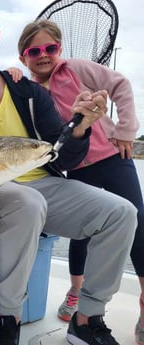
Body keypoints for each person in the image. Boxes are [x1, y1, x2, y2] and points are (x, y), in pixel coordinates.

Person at [0, 1, 137, 345]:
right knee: (26, 203)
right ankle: (7, 319)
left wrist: (81, 126)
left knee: (122, 213)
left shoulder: (28, 91)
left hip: (45, 185)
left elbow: (61, 158)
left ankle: (86, 318)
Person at [7, 18, 144, 345]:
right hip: (76, 167)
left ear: (60, 49)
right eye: (33, 51)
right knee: (84, 230)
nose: (43, 55)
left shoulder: (77, 69)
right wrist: (12, 75)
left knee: (137, 220)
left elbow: (121, 85)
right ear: (24, 56)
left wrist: (126, 129)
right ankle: (76, 290)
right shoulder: (29, 92)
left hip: (113, 156)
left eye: (50, 48)